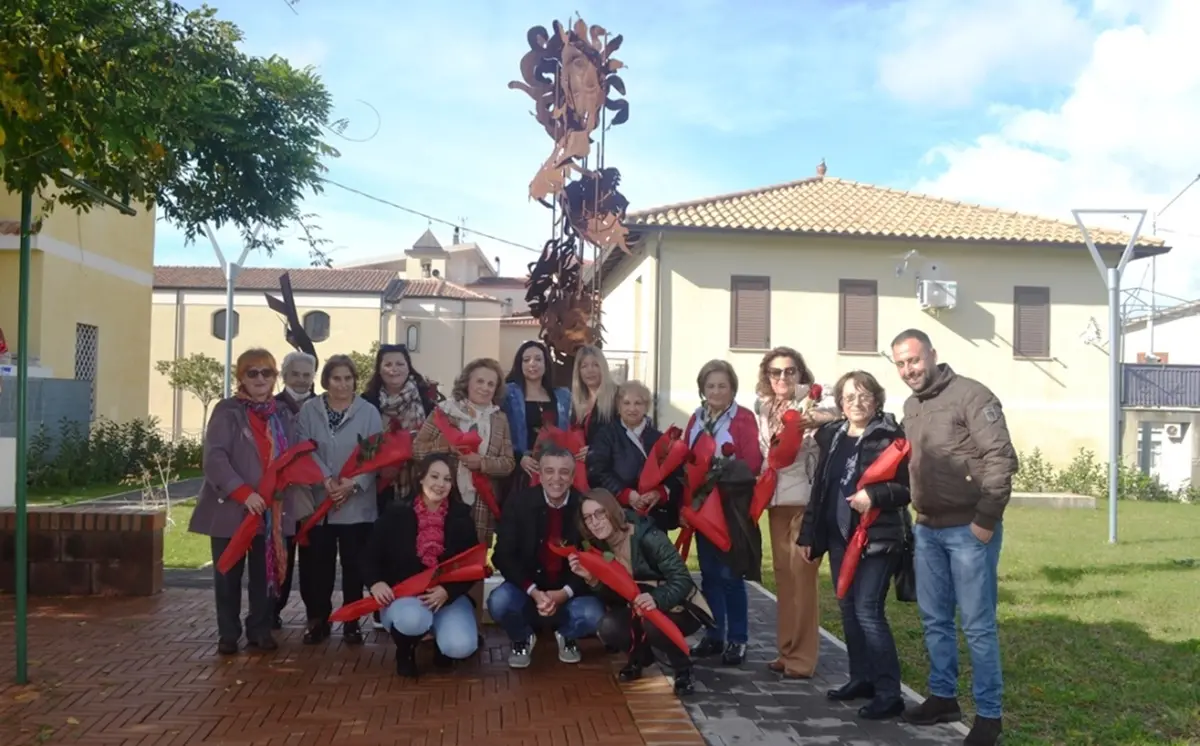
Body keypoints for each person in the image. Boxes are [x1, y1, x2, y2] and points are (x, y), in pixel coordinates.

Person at [890, 329, 1018, 746]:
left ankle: (989, 717)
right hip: (928, 529)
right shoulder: (911, 406)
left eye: (914, 360)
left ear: (932, 355)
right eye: (901, 364)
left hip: (969, 530)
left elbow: (1001, 458)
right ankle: (943, 697)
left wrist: (986, 518)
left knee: (978, 627)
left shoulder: (972, 396)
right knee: (935, 621)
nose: (909, 369)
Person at [798, 370, 911, 720]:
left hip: (877, 538)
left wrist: (874, 495)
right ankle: (861, 678)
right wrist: (808, 535)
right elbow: (821, 489)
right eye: (849, 397)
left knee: (867, 611)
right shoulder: (833, 436)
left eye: (864, 395)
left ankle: (890, 693)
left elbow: (907, 488)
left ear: (876, 399)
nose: (857, 402)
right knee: (847, 608)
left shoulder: (891, 436)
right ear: (841, 404)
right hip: (839, 537)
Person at [189, 349, 299, 655]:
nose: (260, 379)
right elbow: (215, 458)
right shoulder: (228, 411)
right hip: (232, 507)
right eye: (253, 373)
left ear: (275, 377)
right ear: (241, 378)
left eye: (267, 372)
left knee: (265, 574)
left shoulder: (283, 413)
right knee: (228, 575)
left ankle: (260, 629)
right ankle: (228, 633)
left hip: (270, 509)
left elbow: (293, 455)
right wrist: (243, 493)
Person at [754, 346, 839, 679]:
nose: (782, 377)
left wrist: (813, 418)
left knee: (803, 580)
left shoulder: (814, 400)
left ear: (801, 373)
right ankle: (786, 650)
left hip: (805, 503)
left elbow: (837, 411)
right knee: (784, 579)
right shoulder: (764, 406)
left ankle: (803, 658)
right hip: (776, 503)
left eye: (790, 371)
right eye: (775, 372)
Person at [573, 488, 708, 695]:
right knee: (608, 626)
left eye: (600, 513)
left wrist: (656, 599)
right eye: (588, 518)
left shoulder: (647, 535)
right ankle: (641, 657)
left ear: (612, 510)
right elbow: (615, 597)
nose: (595, 522)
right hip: (640, 607)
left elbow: (682, 579)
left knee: (651, 622)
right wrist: (592, 579)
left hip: (681, 606)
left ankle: (683, 668)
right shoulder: (598, 545)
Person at [413, 358, 515, 620]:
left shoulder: (500, 419)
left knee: (474, 562)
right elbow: (418, 449)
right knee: (439, 556)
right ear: (467, 382)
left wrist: (482, 463)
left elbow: (508, 463)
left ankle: (471, 623)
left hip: (482, 503)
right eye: (480, 381)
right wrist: (450, 448)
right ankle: (429, 621)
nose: (485, 388)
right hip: (445, 498)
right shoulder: (444, 412)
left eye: (491, 384)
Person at [362, 453, 481, 678]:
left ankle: (441, 643)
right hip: (405, 597)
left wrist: (448, 591)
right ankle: (405, 650)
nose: (440, 484)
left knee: (461, 646)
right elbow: (369, 555)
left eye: (447, 479)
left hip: (445, 597)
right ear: (421, 478)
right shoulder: (396, 512)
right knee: (413, 620)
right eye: (434, 476)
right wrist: (376, 583)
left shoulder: (461, 516)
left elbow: (472, 565)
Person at [487, 445, 604, 669]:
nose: (556, 479)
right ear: (539, 475)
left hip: (570, 592)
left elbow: (594, 559)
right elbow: (502, 555)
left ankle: (567, 634)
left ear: (573, 477)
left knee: (594, 613)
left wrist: (564, 593)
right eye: (549, 471)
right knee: (499, 601)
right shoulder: (518, 503)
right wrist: (533, 591)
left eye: (564, 472)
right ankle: (522, 637)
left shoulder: (584, 506)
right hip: (527, 590)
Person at [296, 355, 384, 646]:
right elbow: (304, 448)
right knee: (317, 567)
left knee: (354, 567)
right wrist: (325, 479)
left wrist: (353, 485)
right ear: (326, 381)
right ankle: (318, 620)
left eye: (348, 378)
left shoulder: (368, 412)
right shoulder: (309, 410)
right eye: (336, 378)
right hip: (319, 502)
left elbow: (375, 454)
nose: (343, 384)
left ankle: (351, 621)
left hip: (356, 503)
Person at [684, 359, 762, 666]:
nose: (716, 391)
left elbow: (752, 463)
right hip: (702, 507)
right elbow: (685, 458)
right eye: (710, 386)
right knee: (709, 574)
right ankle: (714, 635)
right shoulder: (696, 417)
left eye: (722, 386)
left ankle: (738, 639)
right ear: (702, 389)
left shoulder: (743, 418)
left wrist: (720, 473)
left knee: (730, 574)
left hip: (730, 507)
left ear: (732, 388)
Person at [586, 379, 683, 533]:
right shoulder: (606, 435)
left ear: (646, 407)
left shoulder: (659, 438)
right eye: (626, 403)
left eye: (638, 403)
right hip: (618, 514)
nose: (632, 408)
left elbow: (676, 475)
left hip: (654, 518)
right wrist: (626, 494)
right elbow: (596, 471)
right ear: (618, 406)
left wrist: (659, 493)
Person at [361, 343, 437, 514]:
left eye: (400, 364)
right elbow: (361, 445)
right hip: (378, 486)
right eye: (388, 364)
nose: (393, 369)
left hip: (418, 481)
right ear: (379, 370)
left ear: (408, 367)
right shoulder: (367, 402)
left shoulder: (426, 400)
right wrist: (379, 469)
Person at [272, 351, 317, 631]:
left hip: (314, 494)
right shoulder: (271, 407)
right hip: (282, 495)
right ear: (285, 375)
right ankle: (273, 609)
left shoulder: (322, 406)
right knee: (280, 554)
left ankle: (315, 615)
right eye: (295, 374)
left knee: (313, 559)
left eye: (306, 375)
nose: (301, 380)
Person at [502, 340, 571, 492]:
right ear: (520, 364)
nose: (532, 364)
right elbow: (501, 432)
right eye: (526, 360)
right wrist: (519, 458)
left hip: (554, 471)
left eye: (538, 359)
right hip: (521, 470)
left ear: (546, 363)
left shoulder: (562, 396)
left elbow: (569, 430)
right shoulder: (508, 395)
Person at [569, 344, 618, 444]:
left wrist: (596, 449)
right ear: (578, 372)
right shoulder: (577, 401)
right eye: (584, 366)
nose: (590, 370)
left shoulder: (618, 396)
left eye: (595, 365)